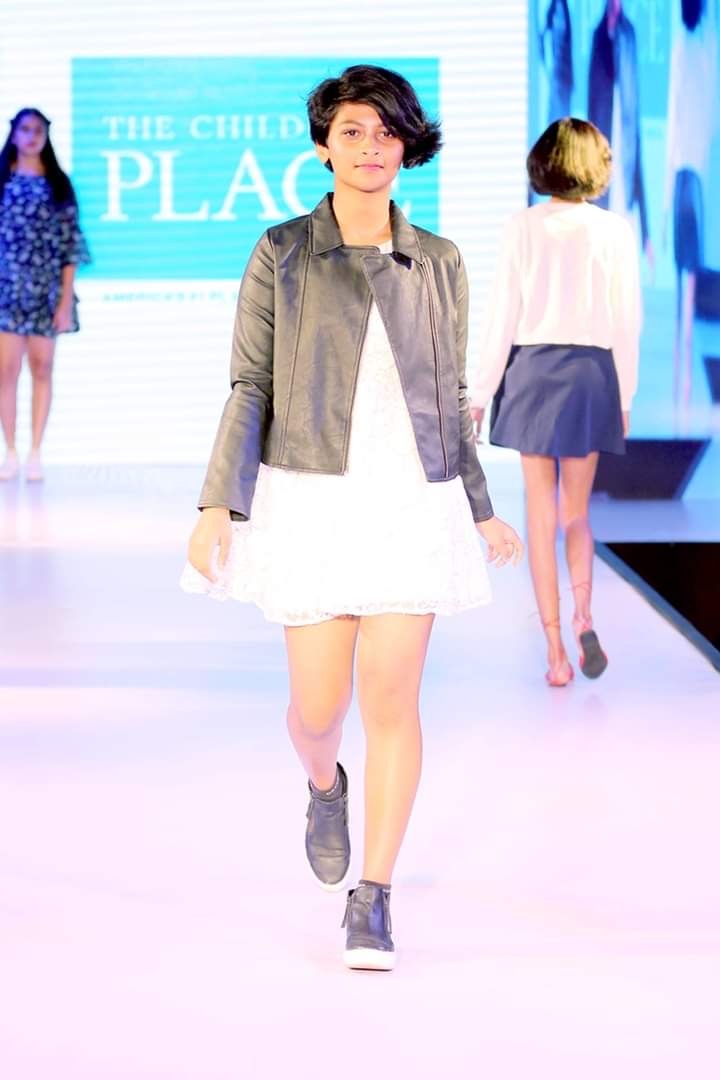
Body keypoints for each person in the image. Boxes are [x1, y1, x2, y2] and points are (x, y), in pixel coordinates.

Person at [182, 65, 523, 971]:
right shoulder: (282, 251)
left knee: (393, 701)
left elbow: (451, 397)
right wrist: (218, 503)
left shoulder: (439, 260)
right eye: (353, 132)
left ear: (408, 146)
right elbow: (249, 384)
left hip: (411, 501)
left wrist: (480, 508)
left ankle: (372, 897)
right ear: (324, 146)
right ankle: (323, 781)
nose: (371, 147)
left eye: (387, 132)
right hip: (311, 499)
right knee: (317, 709)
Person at [470, 118, 640, 687]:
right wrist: (625, 395)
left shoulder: (522, 226)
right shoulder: (614, 230)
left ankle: (555, 653)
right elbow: (627, 322)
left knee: (540, 518)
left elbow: (502, 316)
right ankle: (584, 613)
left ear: (543, 161)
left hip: (533, 374)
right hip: (591, 375)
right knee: (576, 514)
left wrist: (480, 393)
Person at [0, 108, 89, 482]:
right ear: (14, 133)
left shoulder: (58, 184)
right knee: (6, 370)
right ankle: (10, 450)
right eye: (25, 129)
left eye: (38, 130)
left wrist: (65, 300)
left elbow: (70, 246)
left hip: (45, 291)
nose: (32, 136)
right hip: (6, 289)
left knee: (42, 367)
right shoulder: (2, 180)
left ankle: (36, 450)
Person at [663, 0, 718, 405]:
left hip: (691, 164)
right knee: (688, 253)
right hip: (690, 164)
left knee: (691, 254)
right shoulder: (692, 44)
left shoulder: (698, 43)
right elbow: (678, 109)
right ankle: (683, 334)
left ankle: (685, 331)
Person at [588, 0, 655, 276]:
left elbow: (633, 106)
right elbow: (592, 99)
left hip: (624, 141)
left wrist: (647, 230)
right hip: (602, 137)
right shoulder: (598, 35)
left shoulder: (629, 34)